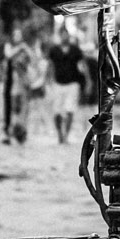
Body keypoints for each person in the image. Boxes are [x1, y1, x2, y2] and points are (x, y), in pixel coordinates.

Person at [0, 24, 33, 144]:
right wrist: (20, 48)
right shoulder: (9, 47)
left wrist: (25, 49)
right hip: (8, 84)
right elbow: (8, 55)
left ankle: (20, 132)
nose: (18, 37)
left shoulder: (24, 50)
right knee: (7, 109)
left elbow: (32, 59)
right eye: (16, 35)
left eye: (20, 35)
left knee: (21, 110)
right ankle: (7, 132)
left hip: (21, 84)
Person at [46, 19, 86, 148]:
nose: (65, 36)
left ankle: (66, 135)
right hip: (58, 83)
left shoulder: (75, 50)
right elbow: (50, 66)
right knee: (57, 112)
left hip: (72, 83)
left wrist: (87, 81)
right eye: (62, 34)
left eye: (66, 34)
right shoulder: (54, 50)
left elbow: (82, 66)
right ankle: (60, 134)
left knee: (70, 110)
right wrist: (47, 81)